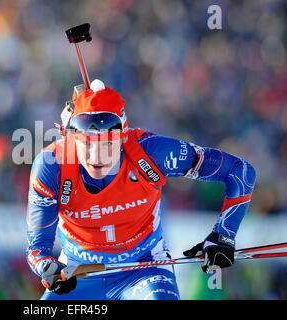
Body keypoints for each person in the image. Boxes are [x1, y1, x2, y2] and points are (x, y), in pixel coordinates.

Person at [25, 79, 256, 300]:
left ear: (124, 136)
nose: (97, 156)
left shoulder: (152, 153)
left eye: (108, 143)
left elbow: (240, 171)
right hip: (80, 272)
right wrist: (48, 268)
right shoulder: (51, 165)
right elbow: (37, 249)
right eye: (86, 144)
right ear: (70, 138)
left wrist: (224, 235)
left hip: (144, 268)